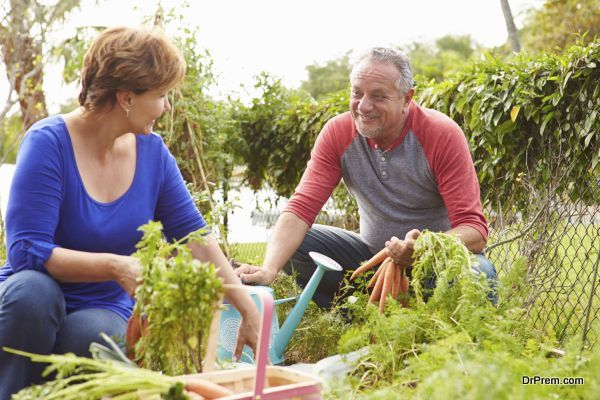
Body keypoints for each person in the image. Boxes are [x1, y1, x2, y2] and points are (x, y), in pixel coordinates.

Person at [0, 26, 259, 398]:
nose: (167, 107)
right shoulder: (48, 143)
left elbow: (193, 236)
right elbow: (27, 251)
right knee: (32, 294)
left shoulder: (153, 153)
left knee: (96, 339)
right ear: (126, 98)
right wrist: (114, 265)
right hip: (35, 296)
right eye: (161, 95)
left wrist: (245, 305)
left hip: (101, 305)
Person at [235, 47, 496, 308]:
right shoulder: (338, 133)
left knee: (479, 273)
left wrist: (425, 248)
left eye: (378, 96)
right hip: (370, 261)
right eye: (357, 93)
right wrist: (268, 270)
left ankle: (448, 341)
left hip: (434, 264)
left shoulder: (441, 135)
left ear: (407, 98)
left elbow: (474, 230)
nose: (364, 106)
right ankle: (361, 321)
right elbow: (301, 208)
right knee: (297, 243)